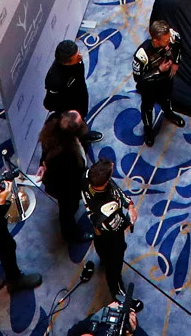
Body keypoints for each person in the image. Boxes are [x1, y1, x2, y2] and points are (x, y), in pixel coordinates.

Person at [83, 157, 137, 297]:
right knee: (115, 260)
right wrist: (130, 220)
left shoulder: (87, 177)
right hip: (110, 231)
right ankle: (116, 290)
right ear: (105, 182)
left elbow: (114, 188)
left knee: (100, 244)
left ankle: (103, 258)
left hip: (98, 228)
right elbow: (118, 225)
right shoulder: (107, 207)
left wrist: (129, 204)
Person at [36, 111, 90, 241]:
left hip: (64, 177)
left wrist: (42, 164)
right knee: (68, 210)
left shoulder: (53, 123)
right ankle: (70, 234)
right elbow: (69, 181)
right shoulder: (66, 156)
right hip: (66, 188)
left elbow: (45, 150)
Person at [132, 20, 184, 145]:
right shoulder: (141, 55)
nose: (169, 42)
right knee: (147, 107)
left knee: (167, 98)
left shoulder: (170, 35)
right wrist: (159, 70)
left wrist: (176, 62)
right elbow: (139, 79)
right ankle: (148, 128)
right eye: (166, 41)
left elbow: (178, 43)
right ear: (156, 41)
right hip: (149, 85)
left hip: (166, 78)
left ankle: (169, 113)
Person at [44, 39, 104, 143]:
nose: (81, 56)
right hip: (68, 107)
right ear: (67, 62)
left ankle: (82, 130)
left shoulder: (78, 61)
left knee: (82, 116)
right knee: (73, 127)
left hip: (80, 96)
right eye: (77, 57)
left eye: (79, 52)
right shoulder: (54, 80)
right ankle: (79, 139)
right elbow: (49, 103)